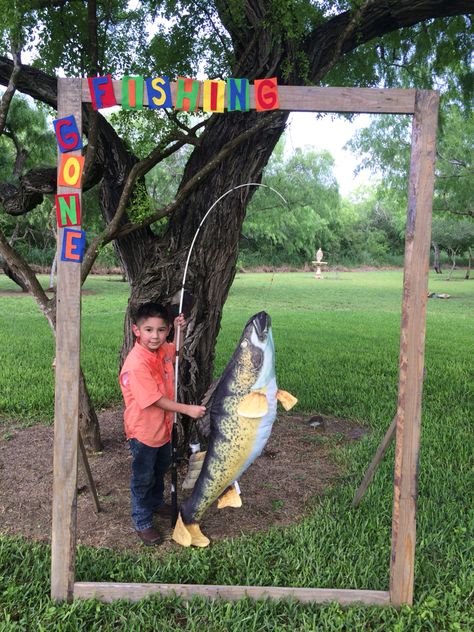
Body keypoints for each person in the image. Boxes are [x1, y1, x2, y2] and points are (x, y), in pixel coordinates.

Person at [119, 302, 206, 546]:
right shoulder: (137, 364)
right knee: (143, 477)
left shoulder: (162, 350)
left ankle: (156, 503)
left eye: (161, 330)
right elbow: (154, 400)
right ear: (137, 330)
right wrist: (187, 410)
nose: (155, 336)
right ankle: (142, 520)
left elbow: (175, 349)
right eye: (149, 330)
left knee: (159, 471)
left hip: (163, 431)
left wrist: (179, 330)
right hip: (143, 433)